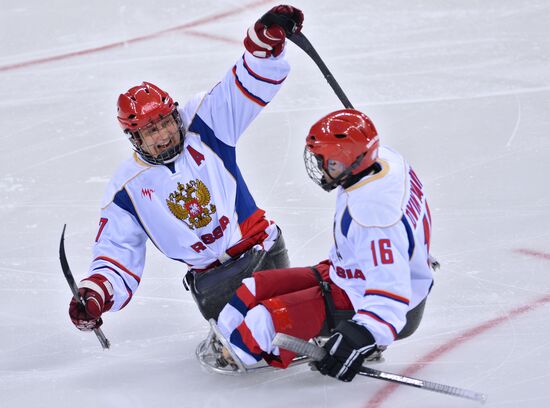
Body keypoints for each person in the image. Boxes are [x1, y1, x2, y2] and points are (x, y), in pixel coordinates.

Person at [68, 5, 305, 332]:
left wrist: (263, 45)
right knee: (248, 349)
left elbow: (242, 86)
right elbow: (116, 254)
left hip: (261, 253)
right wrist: (95, 294)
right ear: (134, 138)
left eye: (165, 123)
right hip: (212, 284)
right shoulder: (127, 191)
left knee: (284, 330)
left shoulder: (204, 122)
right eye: (151, 132)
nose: (164, 134)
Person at [214, 109, 436, 382]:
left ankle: (234, 355)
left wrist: (359, 337)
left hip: (370, 298)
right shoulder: (385, 159)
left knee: (264, 320)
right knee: (254, 287)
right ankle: (227, 336)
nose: (319, 166)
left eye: (325, 160)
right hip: (350, 273)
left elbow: (390, 294)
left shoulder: (373, 220)